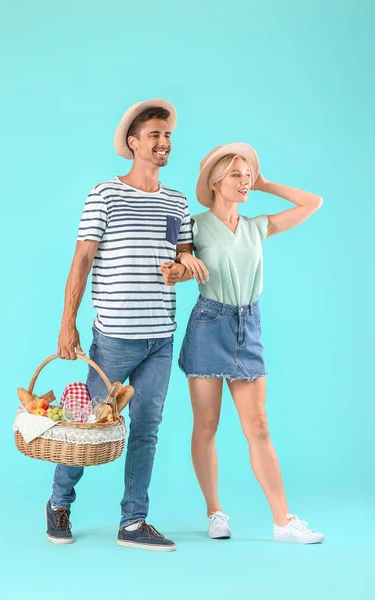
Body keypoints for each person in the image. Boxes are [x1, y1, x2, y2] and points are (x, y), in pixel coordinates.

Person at [46, 99, 195, 551]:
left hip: (160, 339)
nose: (163, 143)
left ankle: (133, 522)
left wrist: (182, 269)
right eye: (154, 136)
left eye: (167, 136)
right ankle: (59, 503)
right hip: (113, 338)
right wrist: (67, 324)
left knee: (146, 427)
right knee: (86, 426)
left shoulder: (177, 201)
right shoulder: (104, 194)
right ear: (133, 143)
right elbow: (83, 259)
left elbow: (187, 257)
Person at [177, 142, 325, 544]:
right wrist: (182, 266)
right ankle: (215, 513)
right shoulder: (192, 225)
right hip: (210, 324)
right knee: (206, 425)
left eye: (248, 175)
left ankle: (282, 521)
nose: (244, 182)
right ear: (215, 182)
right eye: (236, 175)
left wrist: (266, 183)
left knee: (258, 426)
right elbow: (175, 267)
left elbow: (313, 202)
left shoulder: (257, 226)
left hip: (248, 326)